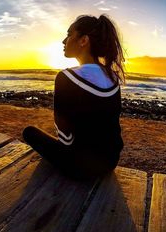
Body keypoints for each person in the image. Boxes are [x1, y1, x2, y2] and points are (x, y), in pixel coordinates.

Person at [22, 14, 125, 180]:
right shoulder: (113, 77)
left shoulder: (66, 78)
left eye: (69, 35)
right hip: (111, 161)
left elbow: (65, 140)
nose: (64, 41)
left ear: (83, 40)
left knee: (29, 132)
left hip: (81, 168)